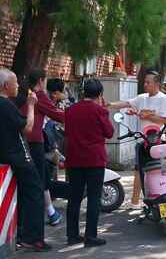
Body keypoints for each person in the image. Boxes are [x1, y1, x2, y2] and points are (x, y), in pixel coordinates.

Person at [0, 68, 51, 252]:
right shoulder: (5, 105)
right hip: (18, 155)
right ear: (6, 86)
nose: (18, 86)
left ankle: (21, 231)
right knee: (35, 191)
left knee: (23, 193)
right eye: (14, 83)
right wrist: (31, 105)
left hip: (7, 155)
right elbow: (27, 127)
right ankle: (33, 237)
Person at [107, 70, 166, 209]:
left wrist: (147, 116)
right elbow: (125, 103)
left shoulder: (163, 99)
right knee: (138, 171)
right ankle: (135, 202)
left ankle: (160, 198)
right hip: (142, 140)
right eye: (145, 82)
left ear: (157, 84)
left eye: (148, 82)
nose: (145, 84)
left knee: (159, 171)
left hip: (158, 141)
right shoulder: (142, 98)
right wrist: (108, 105)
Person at [65, 79, 114, 248]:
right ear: (100, 94)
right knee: (93, 198)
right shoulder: (99, 111)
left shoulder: (70, 110)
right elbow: (109, 133)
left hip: (74, 159)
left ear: (83, 92)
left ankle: (72, 235)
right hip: (94, 160)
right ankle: (90, 236)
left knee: (74, 198)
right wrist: (104, 111)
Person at [18, 69, 64, 226]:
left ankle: (50, 212)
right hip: (35, 142)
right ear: (40, 81)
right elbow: (57, 114)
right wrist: (77, 114)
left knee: (38, 176)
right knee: (39, 179)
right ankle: (38, 221)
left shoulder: (22, 94)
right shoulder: (39, 95)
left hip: (21, 141)